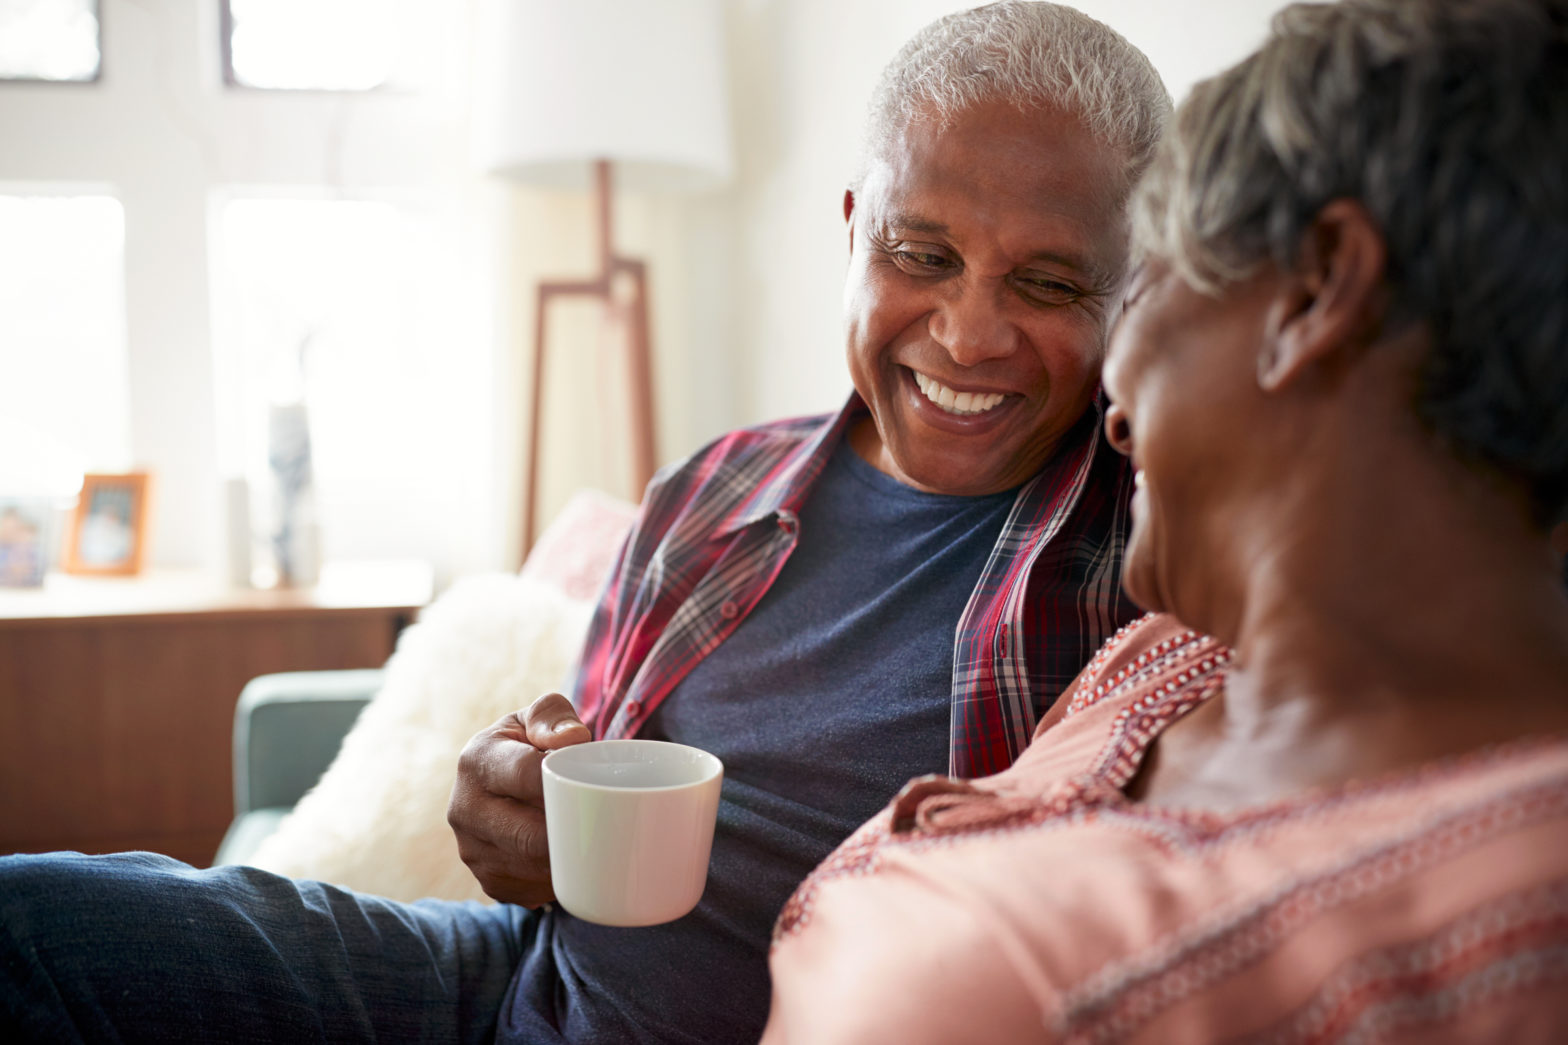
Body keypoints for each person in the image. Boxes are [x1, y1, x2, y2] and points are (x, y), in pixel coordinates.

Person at [0, 4, 1169, 1043]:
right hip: (513, 982)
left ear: (1136, 287)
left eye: (1050, 284)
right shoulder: (715, 492)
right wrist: (517, 804)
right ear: (854, 228)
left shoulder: (1152, 546)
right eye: (923, 255)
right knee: (40, 922)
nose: (968, 335)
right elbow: (574, 814)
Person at [762, 0, 1568, 1041]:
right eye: (920, 254)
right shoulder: (1162, 661)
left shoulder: (1493, 904)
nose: (1116, 395)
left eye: (1144, 280)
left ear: (1313, 293)